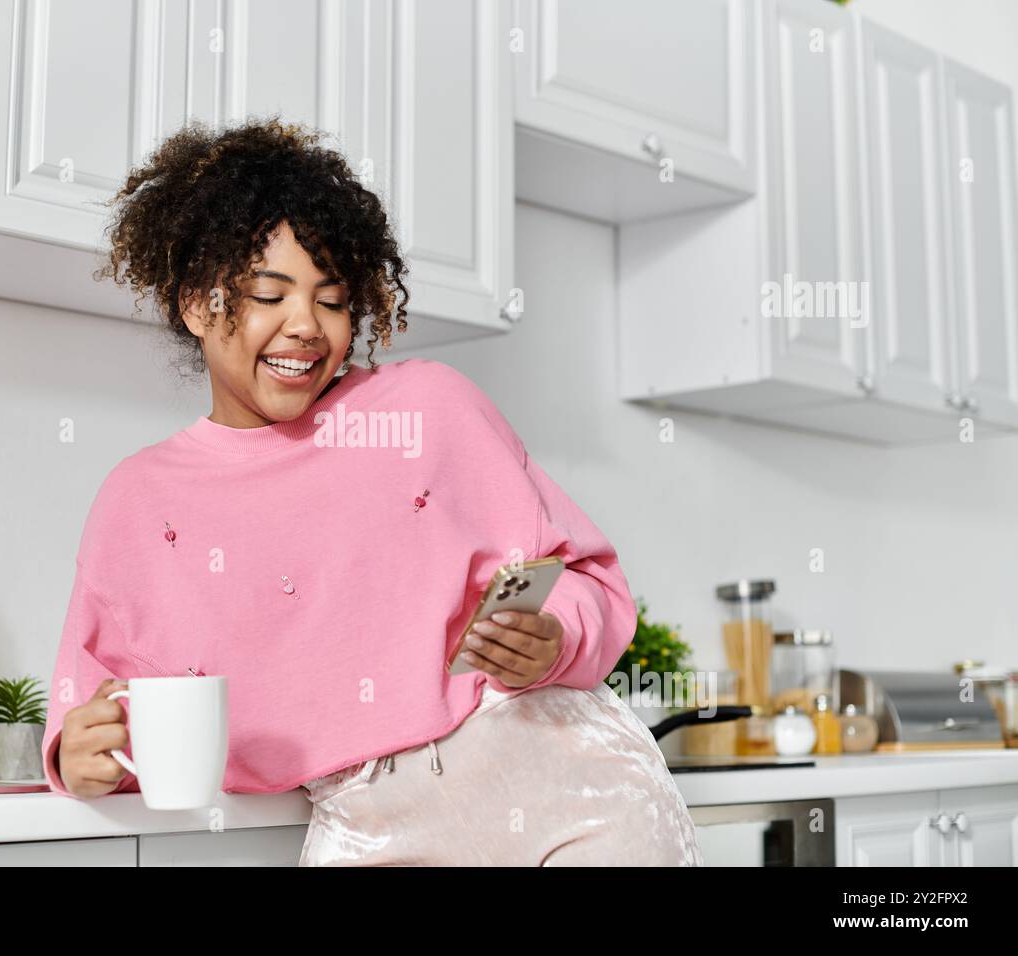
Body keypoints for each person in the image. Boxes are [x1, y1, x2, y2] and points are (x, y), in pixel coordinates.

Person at [41, 117, 702, 866]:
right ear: (198, 303)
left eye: (331, 299)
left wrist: (552, 641)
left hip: (570, 791)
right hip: (366, 822)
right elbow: (88, 702)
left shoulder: (429, 408)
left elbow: (588, 581)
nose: (306, 327)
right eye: (270, 294)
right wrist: (73, 755)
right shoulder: (137, 500)